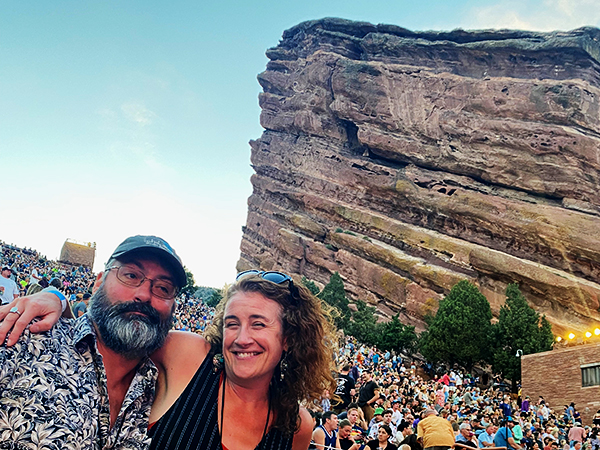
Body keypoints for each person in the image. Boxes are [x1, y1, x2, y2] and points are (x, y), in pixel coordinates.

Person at [0, 234, 187, 448]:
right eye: (131, 275)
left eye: (163, 288)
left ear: (173, 307)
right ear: (98, 283)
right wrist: (56, 296)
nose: (144, 294)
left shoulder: (167, 389)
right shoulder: (22, 337)